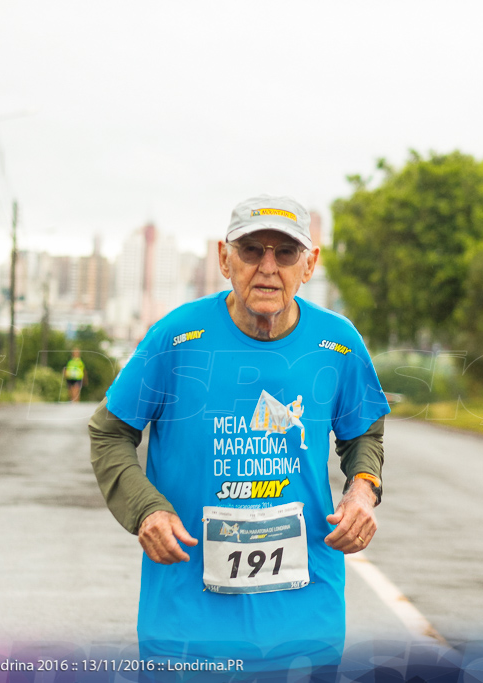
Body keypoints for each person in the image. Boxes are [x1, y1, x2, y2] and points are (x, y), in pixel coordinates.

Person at [89, 195, 389, 674]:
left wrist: (362, 492)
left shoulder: (339, 342)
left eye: (285, 253)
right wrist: (146, 508)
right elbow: (109, 433)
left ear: (309, 264)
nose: (268, 268)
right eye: (252, 251)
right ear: (224, 258)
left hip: (305, 622)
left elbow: (363, 434)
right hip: (185, 626)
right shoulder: (176, 336)